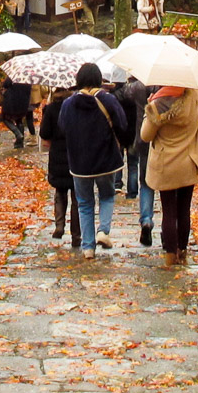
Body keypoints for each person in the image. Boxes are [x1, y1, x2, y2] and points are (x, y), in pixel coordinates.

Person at [58, 62, 128, 257]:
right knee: (106, 195)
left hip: (79, 162)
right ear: (99, 79)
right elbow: (122, 123)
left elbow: (63, 128)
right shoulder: (108, 100)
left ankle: (88, 247)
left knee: (84, 202)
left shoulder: (68, 104)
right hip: (106, 159)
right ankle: (103, 231)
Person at [139, 84, 198, 264]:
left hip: (167, 163)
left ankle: (171, 255)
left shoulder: (158, 105)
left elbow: (145, 136)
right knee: (183, 209)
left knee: (169, 210)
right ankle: (183, 250)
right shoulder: (194, 95)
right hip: (188, 159)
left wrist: (149, 109)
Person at [38, 87, 78, 247]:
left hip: (57, 157)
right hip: (75, 155)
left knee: (60, 193)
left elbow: (44, 133)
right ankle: (77, 235)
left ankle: (59, 225)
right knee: (78, 198)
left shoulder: (51, 109)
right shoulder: (75, 107)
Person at [115, 77, 154, 244]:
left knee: (145, 181)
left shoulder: (134, 88)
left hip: (140, 136)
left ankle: (146, 219)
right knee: (166, 188)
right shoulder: (163, 86)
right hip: (161, 140)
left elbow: (120, 94)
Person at [0, 71, 33, 149]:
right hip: (24, 103)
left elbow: (5, 85)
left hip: (12, 101)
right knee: (19, 120)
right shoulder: (29, 78)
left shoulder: (14, 74)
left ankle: (18, 134)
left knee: (5, 118)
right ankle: (19, 143)